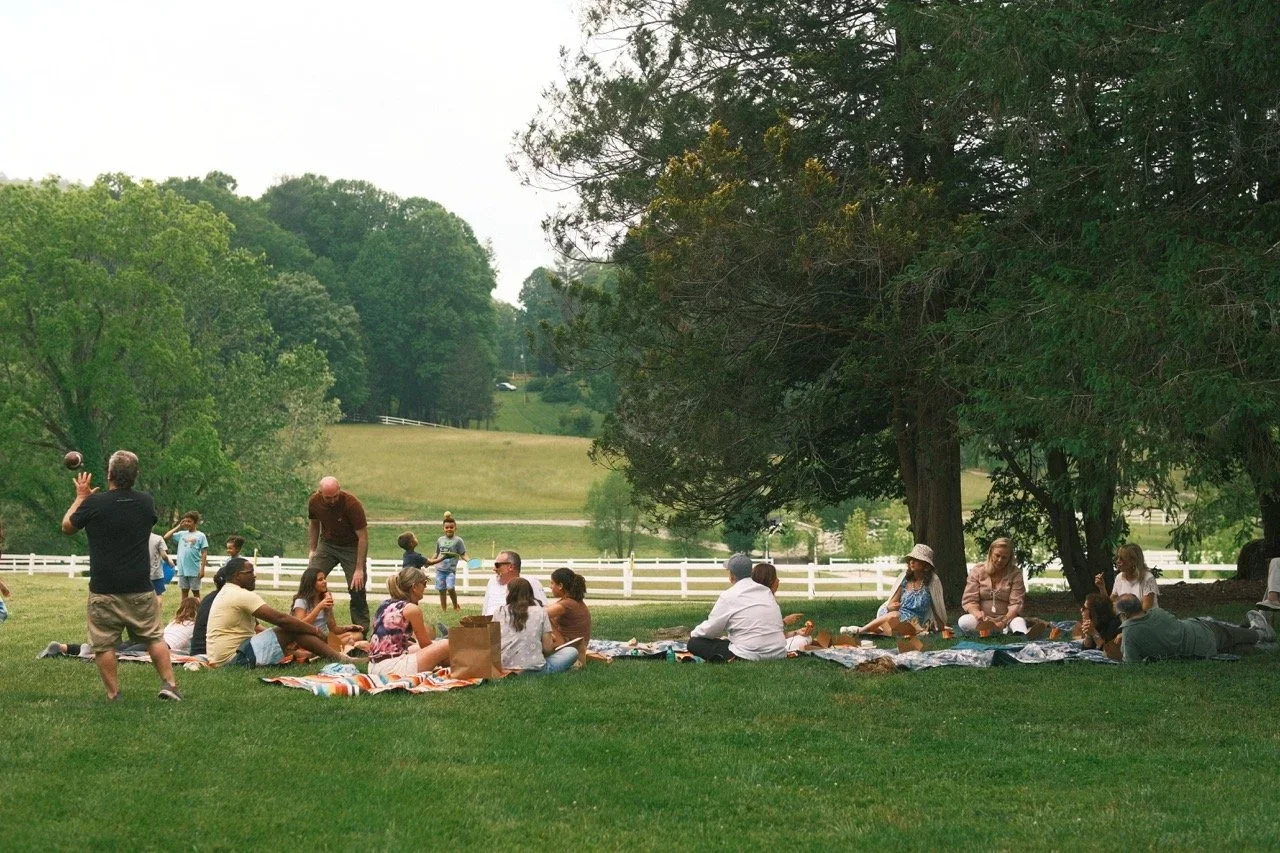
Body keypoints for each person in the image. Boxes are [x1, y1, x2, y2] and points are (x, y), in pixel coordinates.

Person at [60, 450, 181, 701]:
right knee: (153, 637)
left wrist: (81, 497)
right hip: (139, 585)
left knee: (104, 644)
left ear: (109, 474)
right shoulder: (145, 502)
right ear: (135, 476)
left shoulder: (94, 503)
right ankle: (169, 685)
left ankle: (114, 694)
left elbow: (67, 527)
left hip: (104, 587)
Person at [205, 558, 351, 667]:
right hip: (235, 659)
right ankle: (340, 659)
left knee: (290, 629)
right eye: (250, 572)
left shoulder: (228, 591)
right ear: (237, 576)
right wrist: (315, 630)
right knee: (292, 628)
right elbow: (280, 619)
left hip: (228, 657)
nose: (254, 576)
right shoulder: (240, 594)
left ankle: (331, 655)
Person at [1116, 594, 1275, 662]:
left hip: (1200, 652)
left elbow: (1131, 662)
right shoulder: (1157, 613)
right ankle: (1259, 633)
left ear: (1124, 614)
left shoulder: (1129, 633)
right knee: (1236, 635)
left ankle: (1267, 644)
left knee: (1238, 647)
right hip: (1203, 632)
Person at [687, 554, 787, 662]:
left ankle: (730, 658)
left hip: (749, 654)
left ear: (732, 575)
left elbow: (712, 628)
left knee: (694, 643)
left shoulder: (729, 595)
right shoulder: (766, 592)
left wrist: (693, 634)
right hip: (778, 652)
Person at [306, 476, 370, 633]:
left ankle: (361, 630)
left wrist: (359, 568)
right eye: (328, 498)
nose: (333, 500)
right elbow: (314, 525)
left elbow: (362, 536)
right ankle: (299, 622)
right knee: (310, 580)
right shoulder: (314, 502)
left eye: (336, 496)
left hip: (351, 547)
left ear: (339, 490)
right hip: (327, 545)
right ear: (320, 493)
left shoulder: (351, 504)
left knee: (357, 588)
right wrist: (313, 550)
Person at [366, 565, 451, 676]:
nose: (425, 588)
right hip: (393, 668)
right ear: (414, 587)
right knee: (447, 644)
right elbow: (426, 645)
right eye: (424, 584)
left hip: (374, 667)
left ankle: (454, 662)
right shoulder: (411, 609)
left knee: (423, 647)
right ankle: (461, 664)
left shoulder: (385, 604)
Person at [846, 544, 948, 636]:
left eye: (916, 559)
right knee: (893, 616)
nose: (911, 562)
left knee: (893, 618)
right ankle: (870, 630)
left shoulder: (932, 582)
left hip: (915, 622)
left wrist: (942, 626)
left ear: (925, 564)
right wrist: (892, 607)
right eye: (910, 559)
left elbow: (937, 607)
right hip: (897, 617)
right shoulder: (905, 579)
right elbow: (891, 603)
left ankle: (860, 631)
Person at [494, 578, 578, 675]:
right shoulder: (540, 612)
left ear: (509, 593)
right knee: (571, 652)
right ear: (530, 593)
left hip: (504, 667)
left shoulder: (499, 612)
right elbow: (547, 649)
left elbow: (493, 643)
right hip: (534, 669)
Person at [958, 537, 1029, 635]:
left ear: (1010, 558)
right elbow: (969, 600)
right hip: (982, 620)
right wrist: (977, 613)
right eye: (997, 555)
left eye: (1004, 557)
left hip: (1007, 619)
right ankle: (997, 631)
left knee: (1018, 622)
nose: (1000, 560)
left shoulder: (1015, 573)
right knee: (964, 621)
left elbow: (1016, 603)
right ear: (991, 553)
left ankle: (1010, 631)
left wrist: (1003, 621)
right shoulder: (978, 570)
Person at [291, 565, 365, 651]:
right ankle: (343, 647)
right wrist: (319, 607)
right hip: (308, 639)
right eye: (320, 580)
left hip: (323, 638)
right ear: (311, 583)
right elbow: (299, 626)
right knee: (349, 640)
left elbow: (333, 629)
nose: (324, 581)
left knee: (358, 635)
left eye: (324, 578)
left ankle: (337, 647)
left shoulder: (325, 599)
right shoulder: (301, 601)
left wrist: (348, 628)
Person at [750, 562, 814, 652]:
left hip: (748, 646)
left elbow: (772, 634)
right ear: (769, 581)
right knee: (806, 639)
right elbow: (774, 637)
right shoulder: (770, 604)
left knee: (804, 637)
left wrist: (797, 632)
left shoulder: (750, 600)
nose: (778, 580)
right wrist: (785, 622)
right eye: (775, 577)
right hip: (765, 649)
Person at [189, 560, 239, 657]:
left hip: (196, 651)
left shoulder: (208, 598)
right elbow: (256, 629)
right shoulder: (232, 599)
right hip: (212, 653)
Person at [546, 567, 591, 663]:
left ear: (560, 585)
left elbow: (539, 614)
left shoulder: (567, 604)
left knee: (544, 618)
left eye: (552, 583)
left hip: (571, 647)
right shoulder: (572, 601)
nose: (550, 586)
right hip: (577, 645)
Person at [481, 550, 546, 616]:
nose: (494, 569)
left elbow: (543, 611)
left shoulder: (530, 582)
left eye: (497, 565)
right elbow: (485, 610)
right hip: (490, 624)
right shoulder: (492, 582)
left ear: (511, 567)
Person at [1095, 543, 1158, 611]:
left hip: (1145, 620)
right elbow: (1110, 604)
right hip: (1127, 619)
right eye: (1117, 558)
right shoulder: (1119, 578)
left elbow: (1146, 609)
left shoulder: (1147, 579)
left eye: (1121, 559)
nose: (1117, 561)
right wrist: (1102, 587)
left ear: (1133, 561)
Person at [165, 511, 208, 601]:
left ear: (195, 522)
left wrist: (202, 569)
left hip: (194, 569)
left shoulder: (201, 535)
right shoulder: (181, 534)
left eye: (189, 521)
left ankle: (198, 611)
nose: (187, 523)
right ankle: (184, 612)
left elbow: (204, 552)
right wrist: (179, 526)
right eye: (185, 521)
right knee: (184, 593)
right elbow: (166, 537)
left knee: (196, 593)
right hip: (183, 569)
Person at [428, 511, 466, 611]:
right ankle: (443, 609)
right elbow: (436, 553)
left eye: (451, 527)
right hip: (440, 569)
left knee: (450, 588)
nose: (449, 529)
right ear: (443, 528)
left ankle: (455, 607)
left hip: (450, 570)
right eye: (447, 527)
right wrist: (430, 561)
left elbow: (463, 554)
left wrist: (469, 561)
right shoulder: (440, 540)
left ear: (455, 528)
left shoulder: (458, 540)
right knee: (441, 590)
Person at [1077, 593, 1123, 660]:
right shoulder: (1095, 623)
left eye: (1085, 608)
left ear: (1094, 612)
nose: (1081, 610)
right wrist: (1088, 635)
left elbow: (1108, 653)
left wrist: (1094, 634)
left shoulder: (1114, 625)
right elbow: (1085, 650)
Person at [148, 532, 171, 600]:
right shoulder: (158, 538)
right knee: (158, 595)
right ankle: (157, 610)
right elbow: (164, 556)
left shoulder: (137, 537)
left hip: (142, 573)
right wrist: (169, 561)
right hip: (155, 573)